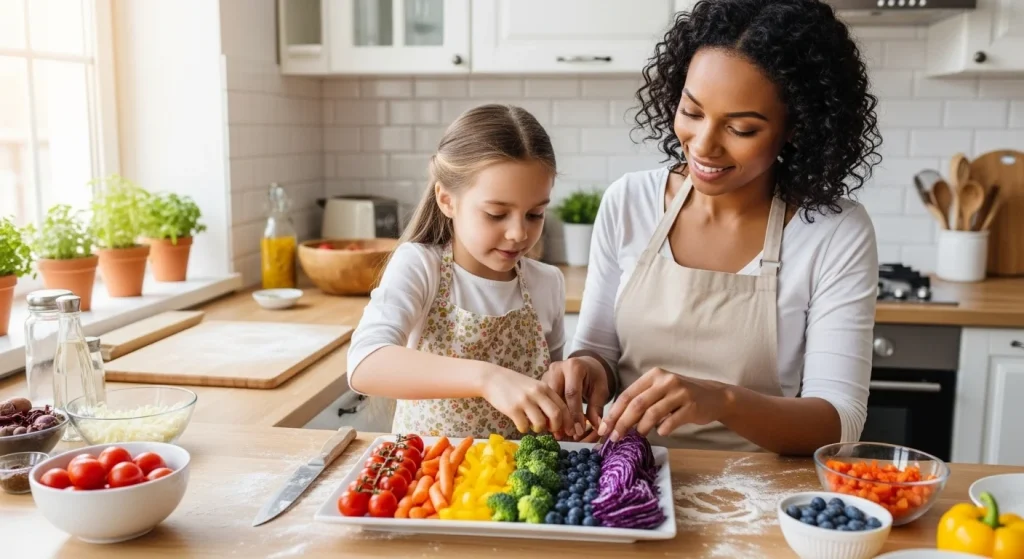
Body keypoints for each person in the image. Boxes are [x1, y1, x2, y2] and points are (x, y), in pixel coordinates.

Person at [544, 0, 883, 455]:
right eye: (692, 111)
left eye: (741, 129)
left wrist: (720, 400)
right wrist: (583, 371)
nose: (703, 146)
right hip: (627, 480)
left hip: (759, 493)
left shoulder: (833, 232)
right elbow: (599, 352)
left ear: (796, 128)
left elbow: (839, 423)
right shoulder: (630, 201)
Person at [347, 104, 574, 440]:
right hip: (429, 478)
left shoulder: (547, 283)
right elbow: (365, 364)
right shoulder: (422, 266)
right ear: (447, 200)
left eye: (535, 214)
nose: (518, 233)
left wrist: (565, 413)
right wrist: (488, 378)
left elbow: (550, 398)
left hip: (519, 486)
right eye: (497, 214)